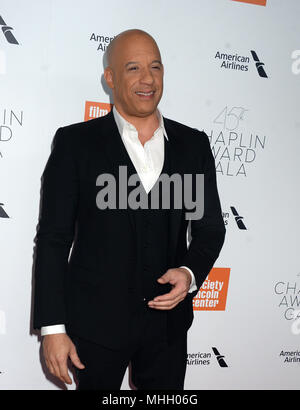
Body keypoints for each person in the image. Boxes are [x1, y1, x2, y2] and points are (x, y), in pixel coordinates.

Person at [33, 29, 225, 390]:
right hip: (94, 328)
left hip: (167, 330)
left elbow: (211, 228)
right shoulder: (76, 144)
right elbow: (53, 240)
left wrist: (189, 272)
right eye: (133, 68)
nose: (147, 78)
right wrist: (53, 329)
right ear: (110, 78)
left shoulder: (193, 144)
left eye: (155, 67)